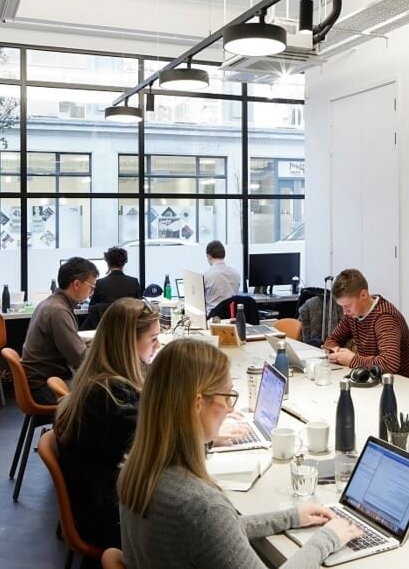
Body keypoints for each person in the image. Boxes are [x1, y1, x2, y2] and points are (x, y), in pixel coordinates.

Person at [118, 339, 361, 568]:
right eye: (227, 396)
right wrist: (328, 539)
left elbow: (218, 534)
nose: (230, 408)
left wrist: (291, 517)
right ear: (198, 403)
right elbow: (210, 524)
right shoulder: (200, 506)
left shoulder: (137, 471)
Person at [54, 298, 160, 551]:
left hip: (100, 502)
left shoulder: (100, 380)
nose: (158, 345)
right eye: (153, 338)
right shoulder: (111, 396)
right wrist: (206, 435)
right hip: (111, 520)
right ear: (128, 343)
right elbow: (156, 447)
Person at [22, 257, 99, 404]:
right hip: (46, 388)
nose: (92, 292)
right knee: (108, 395)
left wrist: (96, 342)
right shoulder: (58, 311)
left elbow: (71, 343)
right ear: (77, 284)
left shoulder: (52, 303)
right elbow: (80, 358)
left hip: (43, 380)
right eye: (92, 287)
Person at [324, 268, 409, 379]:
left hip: (400, 384)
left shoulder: (384, 318)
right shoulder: (352, 314)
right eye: (342, 307)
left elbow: (390, 364)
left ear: (363, 295)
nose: (345, 312)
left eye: (348, 306)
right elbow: (332, 339)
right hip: (373, 378)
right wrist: (333, 349)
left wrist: (352, 360)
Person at [204, 240, 240, 313]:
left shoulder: (207, 276)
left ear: (208, 256)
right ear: (224, 255)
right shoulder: (236, 274)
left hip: (213, 319)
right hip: (231, 318)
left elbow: (200, 301)